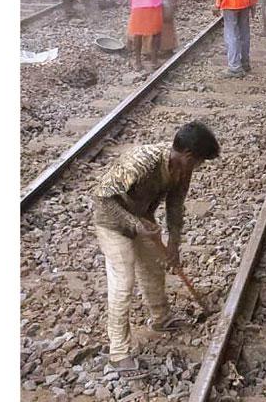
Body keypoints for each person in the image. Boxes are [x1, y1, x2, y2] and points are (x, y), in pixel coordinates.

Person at [92, 120, 221, 380]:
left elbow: (175, 205)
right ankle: (118, 353)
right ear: (188, 155)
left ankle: (161, 318)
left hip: (141, 220)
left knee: (152, 270)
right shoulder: (143, 162)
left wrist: (174, 243)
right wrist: (135, 224)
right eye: (199, 162)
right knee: (123, 282)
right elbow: (102, 197)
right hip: (112, 223)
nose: (199, 168)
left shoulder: (182, 170)